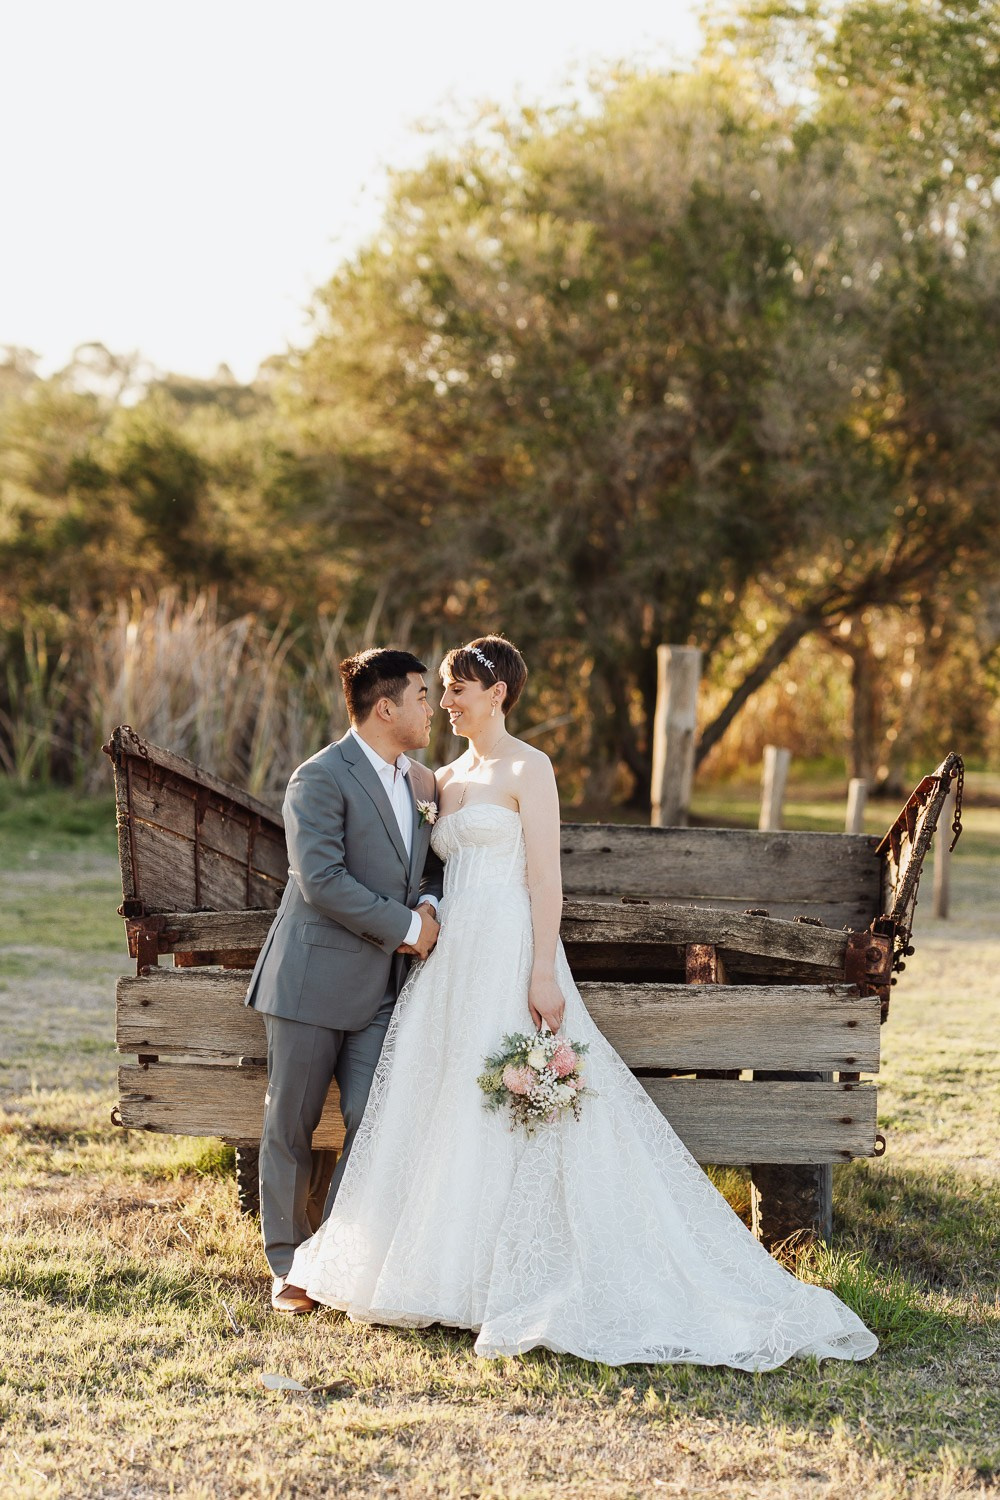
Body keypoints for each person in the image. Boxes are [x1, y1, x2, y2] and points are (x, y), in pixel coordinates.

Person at [287, 635, 878, 1367]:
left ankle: (521, 1273)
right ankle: (441, 1269)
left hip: (509, 949)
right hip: (450, 962)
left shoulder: (529, 769)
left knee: (517, 1107)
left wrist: (542, 971)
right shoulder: (437, 779)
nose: (445, 704)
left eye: (457, 690)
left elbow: (545, 880)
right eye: (437, 691)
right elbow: (421, 867)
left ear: (497, 690)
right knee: (444, 1101)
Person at [245, 647, 444, 1314]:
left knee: (373, 1116)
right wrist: (409, 930)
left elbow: (428, 872)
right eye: (421, 696)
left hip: (381, 991)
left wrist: (431, 908)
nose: (430, 708)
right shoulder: (318, 779)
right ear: (386, 708)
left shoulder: (422, 784)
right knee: (290, 1125)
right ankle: (289, 1265)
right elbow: (322, 881)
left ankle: (335, 1254)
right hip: (309, 981)